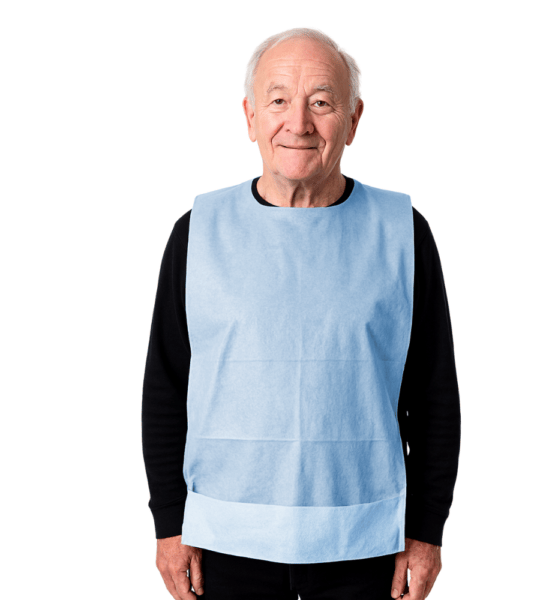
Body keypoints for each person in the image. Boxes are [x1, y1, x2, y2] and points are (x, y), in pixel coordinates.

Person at [142, 27, 461, 600]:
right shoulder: (197, 234)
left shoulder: (402, 234)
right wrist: (169, 522)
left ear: (353, 119)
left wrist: (426, 529)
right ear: (250, 116)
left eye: (321, 102)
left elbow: (434, 396)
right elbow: (165, 390)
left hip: (366, 546)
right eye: (278, 100)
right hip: (223, 543)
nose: (299, 123)